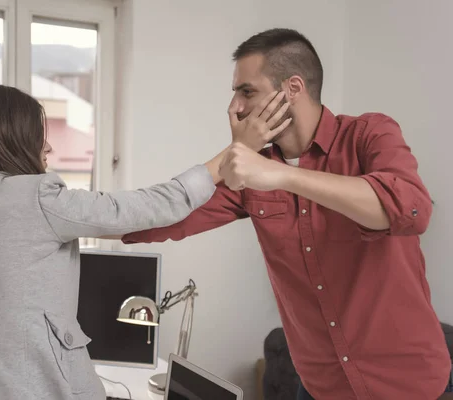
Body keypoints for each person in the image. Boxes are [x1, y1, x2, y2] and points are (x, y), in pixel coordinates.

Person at [122, 28, 451, 400]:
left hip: (410, 385)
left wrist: (281, 175)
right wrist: (63, 217)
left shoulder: (369, 134)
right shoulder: (251, 172)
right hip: (320, 389)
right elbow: (163, 217)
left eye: (246, 91)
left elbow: (410, 209)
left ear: (293, 88)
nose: (236, 108)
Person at [0, 84, 227, 400]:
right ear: (9, 139)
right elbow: (147, 207)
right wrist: (224, 162)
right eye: (38, 134)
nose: (48, 145)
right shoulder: (37, 197)